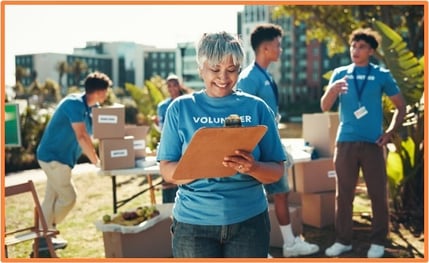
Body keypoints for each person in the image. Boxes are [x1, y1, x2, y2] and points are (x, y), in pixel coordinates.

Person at [156, 31, 286, 258]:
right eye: (215, 69)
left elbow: (276, 171)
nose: (223, 78)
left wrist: (253, 167)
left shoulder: (257, 108)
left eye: (232, 69)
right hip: (193, 224)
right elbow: (166, 170)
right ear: (200, 68)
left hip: (249, 221)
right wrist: (197, 166)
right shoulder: (179, 108)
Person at [321, 28, 406, 258]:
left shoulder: (381, 75)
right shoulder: (340, 73)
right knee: (344, 194)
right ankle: (343, 241)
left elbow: (401, 107)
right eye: (353, 46)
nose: (355, 50)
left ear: (370, 51)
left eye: (361, 47)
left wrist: (389, 133)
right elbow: (324, 106)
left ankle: (378, 241)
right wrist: (333, 89)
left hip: (373, 145)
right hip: (345, 143)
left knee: (377, 193)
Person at [237, 23, 319, 257]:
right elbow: (244, 117)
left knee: (281, 192)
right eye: (277, 45)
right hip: (257, 149)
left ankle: (289, 244)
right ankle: (260, 250)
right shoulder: (249, 78)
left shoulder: (265, 76)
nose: (280, 49)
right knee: (255, 197)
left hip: (271, 145)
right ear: (265, 48)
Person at [36, 71, 112, 254]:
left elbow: (98, 132)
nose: (106, 95)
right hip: (54, 158)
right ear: (100, 92)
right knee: (69, 197)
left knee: (51, 198)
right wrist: (96, 161)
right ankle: (47, 232)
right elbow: (82, 136)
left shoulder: (90, 109)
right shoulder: (74, 104)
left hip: (60, 159)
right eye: (106, 91)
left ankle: (43, 238)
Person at [156, 74, 186, 203]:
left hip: (185, 147)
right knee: (168, 182)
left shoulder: (187, 102)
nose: (172, 88)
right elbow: (163, 129)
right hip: (170, 145)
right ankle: (168, 214)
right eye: (169, 85)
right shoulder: (162, 106)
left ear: (179, 85)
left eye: (175, 84)